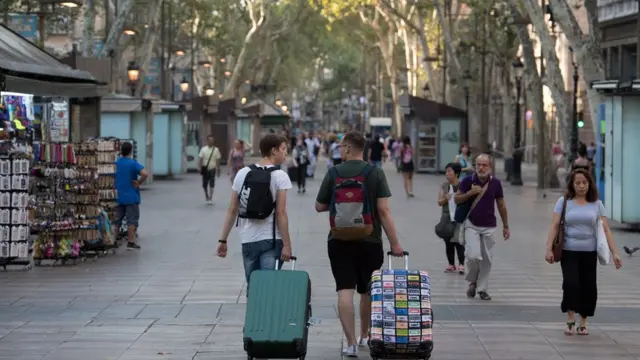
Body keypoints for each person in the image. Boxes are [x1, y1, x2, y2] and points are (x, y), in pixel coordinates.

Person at [315, 131, 404, 358]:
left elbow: (319, 206)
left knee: (345, 290)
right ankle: (365, 334)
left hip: (339, 240)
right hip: (370, 240)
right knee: (367, 291)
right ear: (363, 148)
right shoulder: (375, 173)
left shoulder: (333, 172)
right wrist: (395, 243)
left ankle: (351, 343)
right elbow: (383, 211)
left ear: (346, 148)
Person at [545, 168, 622, 336]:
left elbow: (606, 229)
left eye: (585, 183)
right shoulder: (564, 202)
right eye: (578, 183)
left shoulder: (596, 204)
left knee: (588, 287)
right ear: (572, 185)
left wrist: (614, 252)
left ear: (590, 184)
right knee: (571, 284)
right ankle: (570, 319)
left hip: (590, 252)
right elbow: (555, 225)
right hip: (568, 250)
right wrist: (548, 248)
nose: (581, 186)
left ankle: (583, 322)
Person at [216, 134, 294, 290]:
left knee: (253, 287)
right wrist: (287, 245)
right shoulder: (280, 176)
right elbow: (281, 213)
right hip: (271, 241)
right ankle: (266, 314)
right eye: (283, 149)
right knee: (268, 288)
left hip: (248, 240)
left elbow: (232, 209)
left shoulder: (243, 173)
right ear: (274, 150)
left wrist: (223, 240)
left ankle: (253, 312)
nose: (286, 153)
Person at [454, 154, 510, 301]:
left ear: (490, 167)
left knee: (487, 259)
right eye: (478, 164)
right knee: (472, 255)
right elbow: (456, 198)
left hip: (489, 225)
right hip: (471, 224)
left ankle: (482, 289)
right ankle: (473, 280)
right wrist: (470, 193)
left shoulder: (496, 184)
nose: (481, 167)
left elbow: (501, 205)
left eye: (484, 165)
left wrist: (506, 226)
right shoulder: (468, 181)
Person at [113, 142, 148, 250]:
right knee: (132, 220)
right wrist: (139, 182)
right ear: (131, 151)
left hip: (118, 196)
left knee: (116, 220)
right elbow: (145, 173)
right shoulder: (133, 163)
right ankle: (131, 242)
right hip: (131, 196)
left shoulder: (116, 163)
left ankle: (112, 241)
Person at [438, 162, 465, 274]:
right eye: (446, 171)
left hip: (459, 217)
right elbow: (439, 202)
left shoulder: (463, 186)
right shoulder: (444, 186)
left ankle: (462, 264)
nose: (447, 174)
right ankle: (451, 264)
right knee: (448, 241)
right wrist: (446, 198)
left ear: (456, 173)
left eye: (449, 171)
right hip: (446, 218)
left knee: (459, 241)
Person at [198, 135, 222, 205]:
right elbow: (200, 159)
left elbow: (218, 160)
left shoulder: (216, 150)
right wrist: (199, 167)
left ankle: (210, 198)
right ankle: (206, 195)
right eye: (210, 140)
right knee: (204, 184)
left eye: (212, 140)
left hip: (212, 169)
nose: (211, 141)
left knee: (212, 184)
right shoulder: (203, 149)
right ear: (207, 141)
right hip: (205, 168)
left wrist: (218, 169)